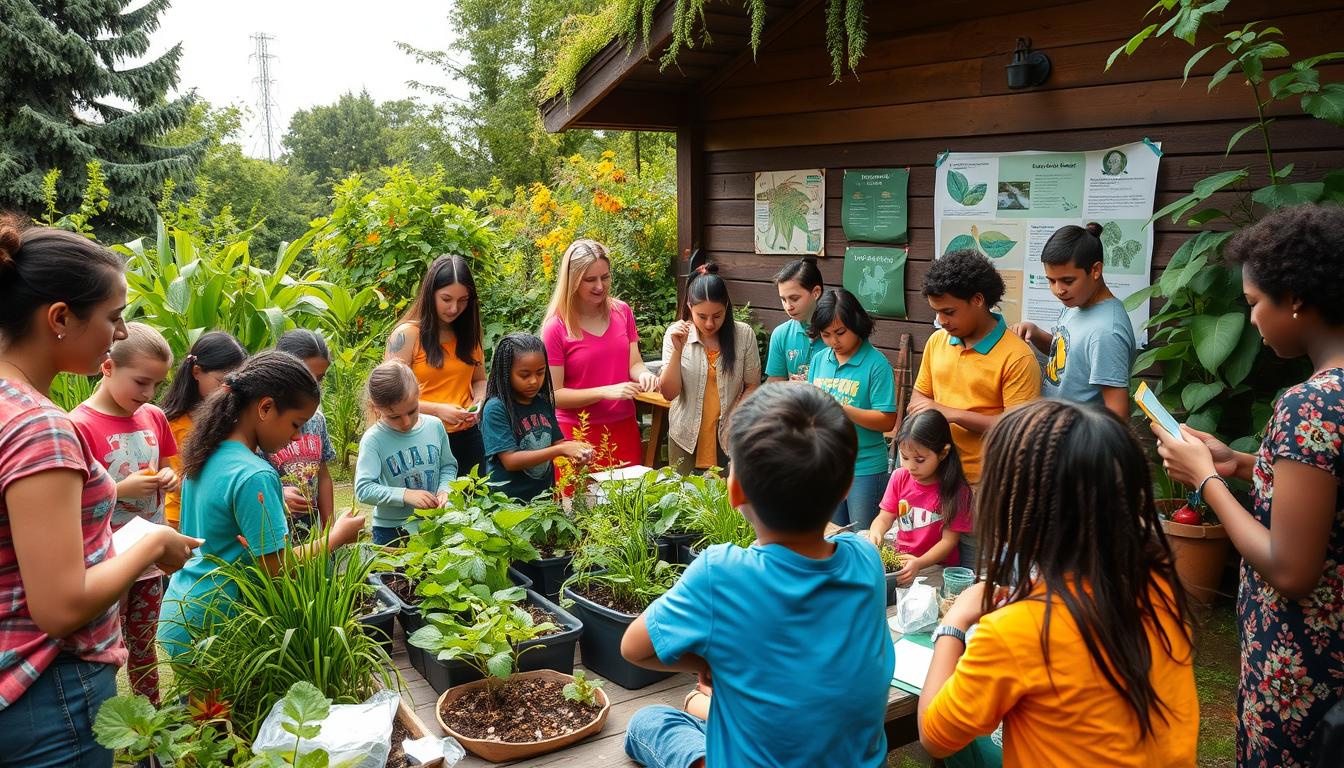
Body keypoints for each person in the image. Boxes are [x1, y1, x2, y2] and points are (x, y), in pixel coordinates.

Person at [0, 221, 199, 767]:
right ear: (60, 318)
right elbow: (61, 607)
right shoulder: (41, 426)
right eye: (113, 318)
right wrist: (154, 542)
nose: (118, 334)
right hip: (49, 689)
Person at [1154, 204, 1344, 768]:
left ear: (1296, 299)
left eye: (1254, 303)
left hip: (1304, 663)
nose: (1253, 319)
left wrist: (1205, 479)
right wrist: (1237, 463)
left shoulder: (1311, 402)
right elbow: (1321, 483)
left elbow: (1290, 568)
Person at [621, 383, 894, 768]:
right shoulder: (866, 559)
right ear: (846, 487)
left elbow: (634, 648)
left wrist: (705, 664)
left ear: (734, 491)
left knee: (649, 721)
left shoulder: (721, 573)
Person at [919, 399, 1198, 766]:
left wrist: (953, 624)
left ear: (1015, 509)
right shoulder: (1157, 585)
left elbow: (935, 737)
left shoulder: (1015, 631)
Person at [158, 351, 365, 658]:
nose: (296, 438)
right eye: (296, 424)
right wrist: (335, 538)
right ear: (266, 407)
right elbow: (274, 566)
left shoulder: (206, 452)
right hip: (220, 624)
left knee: (199, 708)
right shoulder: (255, 474)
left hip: (185, 609)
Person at [70, 322, 179, 706]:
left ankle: (148, 720)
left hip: (148, 559)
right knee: (104, 650)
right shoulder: (78, 425)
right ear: (107, 368)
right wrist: (120, 490)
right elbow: (69, 500)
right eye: (141, 382)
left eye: (156, 385)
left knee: (144, 643)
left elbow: (169, 468)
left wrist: (169, 476)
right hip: (105, 564)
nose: (149, 394)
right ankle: (105, 722)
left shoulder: (153, 417)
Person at [913, 249, 1041, 566]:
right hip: (936, 481)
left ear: (979, 300)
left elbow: (1018, 430)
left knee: (977, 573)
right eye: (937, 312)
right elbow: (918, 401)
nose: (942, 321)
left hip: (987, 486)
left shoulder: (1017, 356)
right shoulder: (937, 342)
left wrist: (951, 413)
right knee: (930, 568)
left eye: (949, 312)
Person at [542, 239, 659, 467]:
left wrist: (643, 374)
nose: (600, 286)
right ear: (573, 280)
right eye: (590, 280)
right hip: (577, 435)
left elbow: (634, 364)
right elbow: (554, 396)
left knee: (628, 501)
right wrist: (606, 391)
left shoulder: (622, 311)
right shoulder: (556, 326)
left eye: (605, 277)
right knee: (580, 503)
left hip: (623, 427)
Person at [1011, 223, 1135, 419]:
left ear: (1095, 270)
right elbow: (1067, 352)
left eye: (1067, 281)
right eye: (1051, 281)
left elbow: (1117, 413)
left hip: (1077, 442)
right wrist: (1035, 332)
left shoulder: (1106, 332)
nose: (1058, 290)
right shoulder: (1077, 303)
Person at [386, 254, 486, 475]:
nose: (454, 308)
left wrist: (479, 401)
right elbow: (390, 398)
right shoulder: (407, 335)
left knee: (475, 505)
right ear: (430, 294)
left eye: (463, 300)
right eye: (446, 299)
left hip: (468, 437)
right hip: (420, 438)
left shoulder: (469, 334)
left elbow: (479, 379)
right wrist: (438, 411)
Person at [807, 288, 897, 530]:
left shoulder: (876, 364)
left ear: (857, 324)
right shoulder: (820, 359)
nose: (834, 341)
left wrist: (841, 409)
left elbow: (887, 420)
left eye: (840, 333)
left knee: (863, 539)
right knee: (831, 538)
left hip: (865, 467)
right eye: (826, 335)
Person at [659, 264, 761, 474]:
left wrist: (736, 418)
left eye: (717, 315)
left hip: (729, 437)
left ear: (726, 307)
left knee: (727, 504)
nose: (709, 323)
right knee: (685, 501)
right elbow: (669, 393)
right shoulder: (677, 334)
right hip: (686, 438)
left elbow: (752, 385)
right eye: (701, 316)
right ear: (689, 307)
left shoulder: (743, 335)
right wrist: (678, 350)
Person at [865, 409, 973, 588]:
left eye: (920, 460)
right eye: (905, 457)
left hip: (936, 567)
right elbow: (884, 517)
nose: (910, 466)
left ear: (943, 453)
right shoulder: (900, 477)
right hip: (902, 561)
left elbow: (949, 541)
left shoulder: (957, 490)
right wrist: (875, 533)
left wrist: (920, 562)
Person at [355, 361, 457, 545]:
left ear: (419, 396)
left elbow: (447, 466)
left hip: (434, 523)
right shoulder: (374, 439)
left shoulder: (435, 426)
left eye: (412, 411)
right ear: (375, 408)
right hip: (392, 531)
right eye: (394, 417)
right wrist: (405, 495)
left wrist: (445, 490)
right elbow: (363, 489)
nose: (406, 422)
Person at [481, 333, 592, 502]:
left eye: (540, 373)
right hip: (509, 506)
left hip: (545, 500)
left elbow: (557, 442)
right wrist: (560, 450)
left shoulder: (543, 401)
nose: (534, 381)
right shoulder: (495, 408)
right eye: (524, 375)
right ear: (505, 373)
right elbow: (510, 460)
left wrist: (578, 452)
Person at [159, 331, 247, 529]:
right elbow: (179, 483)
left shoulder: (233, 420)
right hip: (178, 521)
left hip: (219, 520)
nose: (228, 390)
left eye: (235, 382)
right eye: (221, 380)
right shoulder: (170, 424)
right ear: (197, 372)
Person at [267, 329, 336, 540]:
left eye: (320, 379)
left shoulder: (317, 420)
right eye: (306, 377)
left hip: (310, 533)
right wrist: (278, 495)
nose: (313, 387)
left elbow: (322, 475)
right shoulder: (264, 422)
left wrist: (330, 531)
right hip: (274, 533)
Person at [765, 258, 825, 382]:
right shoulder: (780, 334)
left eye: (795, 298)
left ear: (816, 293)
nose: (788, 306)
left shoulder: (837, 332)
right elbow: (775, 382)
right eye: (783, 299)